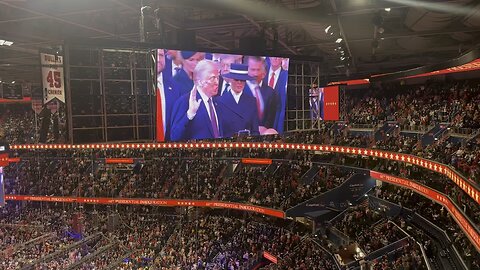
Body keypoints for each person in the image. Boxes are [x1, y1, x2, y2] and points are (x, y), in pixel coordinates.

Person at [170, 60, 223, 141]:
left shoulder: (217, 103)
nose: (217, 82)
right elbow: (174, 136)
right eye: (213, 78)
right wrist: (190, 114)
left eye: (218, 77)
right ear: (199, 81)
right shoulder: (184, 102)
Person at [217, 63, 259, 138]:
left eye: (242, 80)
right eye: (236, 79)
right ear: (230, 80)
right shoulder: (220, 101)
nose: (239, 83)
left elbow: (255, 131)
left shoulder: (252, 101)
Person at [245, 56, 279, 135]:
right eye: (252, 70)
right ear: (247, 71)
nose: (255, 74)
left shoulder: (271, 93)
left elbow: (271, 118)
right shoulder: (239, 90)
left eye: (258, 70)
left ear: (264, 73)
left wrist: (264, 129)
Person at [156, 49, 179, 141]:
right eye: (154, 55)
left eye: (161, 55)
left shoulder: (174, 86)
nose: (158, 59)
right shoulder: (137, 85)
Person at [263, 56, 288, 133]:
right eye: (273, 56)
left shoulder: (286, 76)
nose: (275, 58)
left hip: (276, 124)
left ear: (282, 59)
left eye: (278, 56)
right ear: (269, 57)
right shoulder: (261, 73)